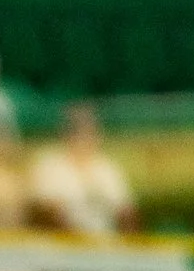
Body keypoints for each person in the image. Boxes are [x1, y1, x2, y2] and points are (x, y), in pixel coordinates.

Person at [26, 102, 135, 242]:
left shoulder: (107, 168)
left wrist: (128, 246)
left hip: (103, 246)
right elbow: (46, 214)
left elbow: (126, 211)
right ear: (67, 135)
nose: (85, 138)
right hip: (60, 247)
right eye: (79, 132)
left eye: (90, 132)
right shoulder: (50, 166)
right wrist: (80, 242)